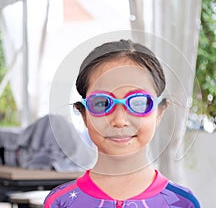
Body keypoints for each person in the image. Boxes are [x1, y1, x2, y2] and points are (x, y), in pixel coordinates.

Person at [44, 39, 200, 208]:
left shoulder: (182, 203)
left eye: (138, 103)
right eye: (102, 103)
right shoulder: (61, 202)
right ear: (84, 114)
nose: (119, 121)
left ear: (160, 112)